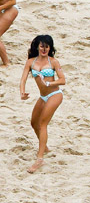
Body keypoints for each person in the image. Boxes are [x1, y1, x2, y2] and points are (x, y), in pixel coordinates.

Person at [19, 35, 65, 173]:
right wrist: (22, 92)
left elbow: (63, 80)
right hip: (43, 96)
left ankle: (39, 159)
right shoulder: (31, 62)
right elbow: (23, 79)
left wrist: (50, 82)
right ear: (37, 47)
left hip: (55, 95)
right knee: (34, 123)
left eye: (47, 46)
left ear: (50, 48)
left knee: (42, 123)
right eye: (42, 46)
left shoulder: (53, 62)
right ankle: (44, 146)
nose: (44, 49)